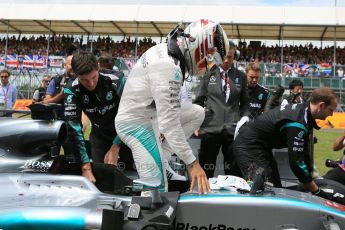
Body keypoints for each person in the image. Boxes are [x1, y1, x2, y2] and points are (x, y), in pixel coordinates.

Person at [115, 19, 229, 194]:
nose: (208, 64)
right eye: (208, 55)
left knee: (197, 112)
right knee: (157, 190)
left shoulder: (167, 52)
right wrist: (193, 163)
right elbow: (169, 124)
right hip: (136, 124)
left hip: (149, 115)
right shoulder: (168, 67)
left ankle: (164, 158)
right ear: (198, 43)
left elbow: (169, 115)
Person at [233, 87, 338, 200]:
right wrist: (316, 191)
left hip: (260, 146)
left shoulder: (304, 111)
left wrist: (311, 177)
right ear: (321, 105)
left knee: (276, 190)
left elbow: (303, 153)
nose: (331, 115)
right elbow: (296, 163)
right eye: (331, 110)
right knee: (263, 191)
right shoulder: (297, 121)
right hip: (248, 146)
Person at [64, 51, 124, 183]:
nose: (90, 84)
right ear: (75, 73)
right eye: (84, 80)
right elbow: (73, 127)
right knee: (100, 179)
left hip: (125, 134)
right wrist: (85, 167)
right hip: (99, 136)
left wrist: (116, 146)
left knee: (129, 176)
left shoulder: (118, 80)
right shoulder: (71, 89)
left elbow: (131, 115)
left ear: (98, 67)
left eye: (93, 77)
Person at [194, 41, 249, 179]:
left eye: (230, 57)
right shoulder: (208, 74)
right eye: (224, 56)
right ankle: (204, 197)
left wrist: (245, 119)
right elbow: (199, 101)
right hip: (211, 128)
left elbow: (245, 104)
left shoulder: (241, 77)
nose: (226, 60)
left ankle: (232, 199)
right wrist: (195, 123)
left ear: (233, 57)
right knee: (207, 169)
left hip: (233, 130)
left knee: (233, 172)